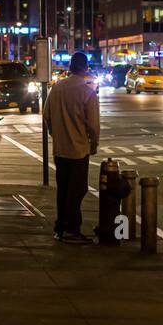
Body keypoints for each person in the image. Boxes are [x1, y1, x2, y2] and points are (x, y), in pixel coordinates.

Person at [43, 50, 100, 244]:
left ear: (70, 68)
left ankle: (60, 226)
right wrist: (94, 143)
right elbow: (93, 124)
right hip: (78, 150)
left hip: (60, 149)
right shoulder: (87, 92)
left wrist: (54, 133)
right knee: (78, 190)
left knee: (63, 189)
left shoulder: (57, 88)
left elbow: (46, 115)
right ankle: (72, 229)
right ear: (85, 69)